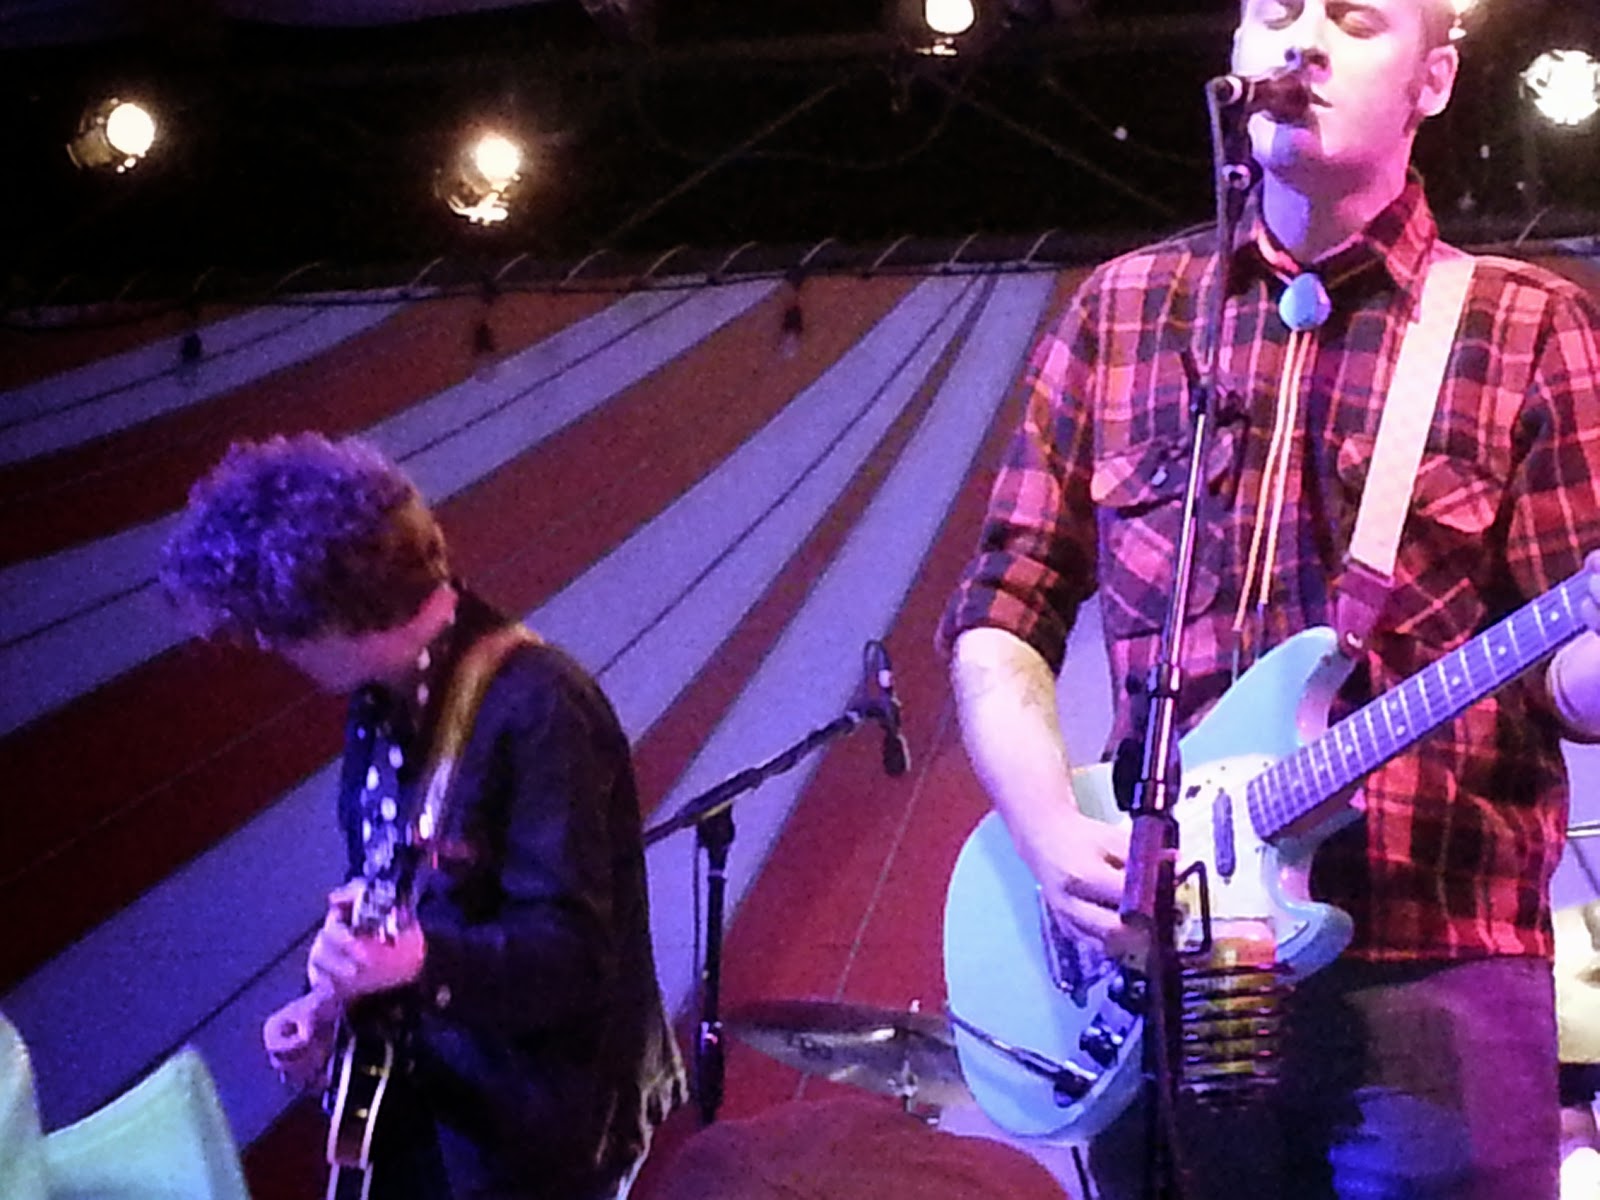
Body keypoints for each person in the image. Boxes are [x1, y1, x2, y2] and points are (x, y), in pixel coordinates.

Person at [937, 1, 1600, 1197]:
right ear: (1235, 58)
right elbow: (1001, 611)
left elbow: (1569, 678)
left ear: (1433, 81)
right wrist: (1047, 834)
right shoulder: (1122, 312)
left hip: (1428, 968)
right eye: (1274, 13)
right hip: (1168, 967)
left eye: (1352, 17)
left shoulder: (1524, 326)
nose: (1302, 42)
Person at [159, 433, 686, 1200]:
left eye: (278, 629)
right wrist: (337, 1002)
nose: (273, 648)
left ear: (336, 613)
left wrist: (418, 966)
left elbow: (575, 959)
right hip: (428, 1103)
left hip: (533, 1132)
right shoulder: (379, 701)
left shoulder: (539, 706)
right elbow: (401, 900)